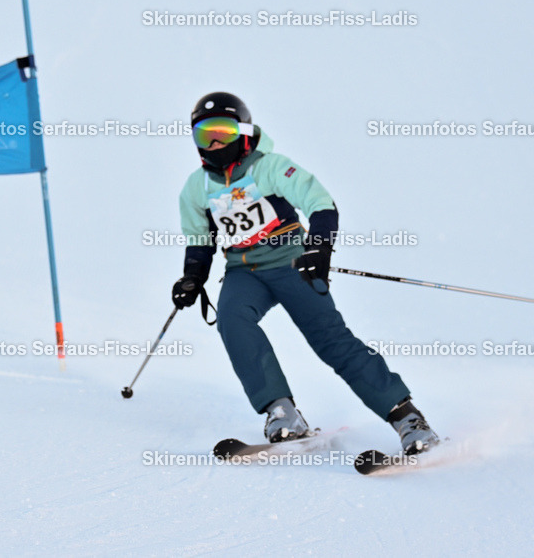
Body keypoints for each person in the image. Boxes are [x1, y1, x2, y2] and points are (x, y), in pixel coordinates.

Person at [172, 92, 439, 453]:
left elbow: (321, 203)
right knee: (232, 320)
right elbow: (200, 239)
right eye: (204, 135)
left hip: (290, 261)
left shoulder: (270, 166)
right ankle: (281, 412)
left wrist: (319, 247)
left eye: (224, 131)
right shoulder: (196, 188)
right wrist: (192, 277)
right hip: (243, 270)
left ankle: (408, 419)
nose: (215, 142)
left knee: (330, 339)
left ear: (245, 133)